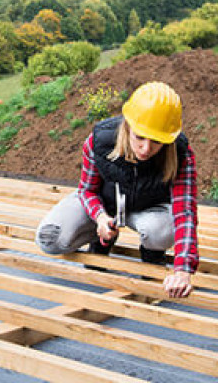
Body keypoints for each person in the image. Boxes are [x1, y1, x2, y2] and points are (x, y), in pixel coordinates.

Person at [35, 81, 198, 298]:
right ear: (127, 126)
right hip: (106, 203)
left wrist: (183, 269)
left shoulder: (180, 154)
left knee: (162, 231)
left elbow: (184, 211)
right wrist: (100, 217)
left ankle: (153, 255)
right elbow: (87, 190)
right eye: (139, 137)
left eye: (156, 141)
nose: (146, 149)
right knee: (49, 240)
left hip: (147, 209)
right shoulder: (99, 141)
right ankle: (102, 239)